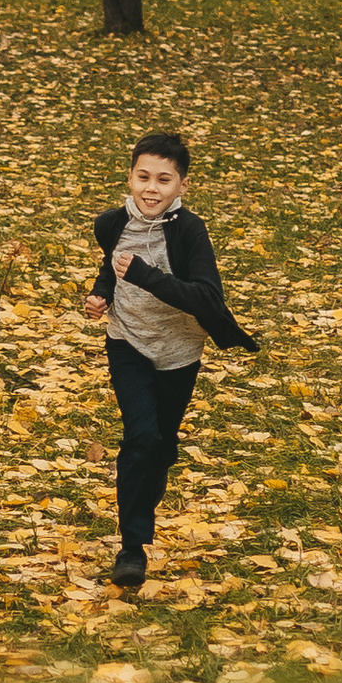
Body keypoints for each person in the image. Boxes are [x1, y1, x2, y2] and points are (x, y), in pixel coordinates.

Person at [82, 129, 254, 593]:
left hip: (179, 352)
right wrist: (101, 295)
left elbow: (207, 298)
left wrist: (146, 275)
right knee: (140, 436)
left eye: (164, 179)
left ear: (182, 186)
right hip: (128, 344)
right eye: (143, 176)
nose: (151, 188)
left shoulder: (190, 232)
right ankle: (132, 549)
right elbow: (110, 266)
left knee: (161, 445)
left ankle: (149, 479)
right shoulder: (110, 224)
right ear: (130, 177)